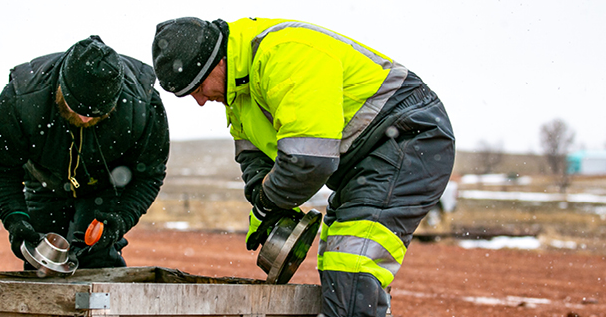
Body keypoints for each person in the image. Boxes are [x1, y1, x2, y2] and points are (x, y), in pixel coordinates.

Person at [151, 17, 455, 317]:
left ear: (215, 63)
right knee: (341, 268)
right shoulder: (239, 95)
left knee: (350, 265)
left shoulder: (284, 56)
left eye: (197, 88)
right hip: (366, 159)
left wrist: (268, 205)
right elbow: (253, 157)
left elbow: (309, 161)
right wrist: (262, 200)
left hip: (407, 138)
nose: (200, 101)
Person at [0, 35, 169, 269]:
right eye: (76, 107)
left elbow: (148, 175)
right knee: (42, 261)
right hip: (44, 181)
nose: (85, 118)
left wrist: (121, 219)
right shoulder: (22, 97)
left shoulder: (143, 105)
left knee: (97, 258)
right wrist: (16, 218)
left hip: (104, 186)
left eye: (97, 113)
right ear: (61, 86)